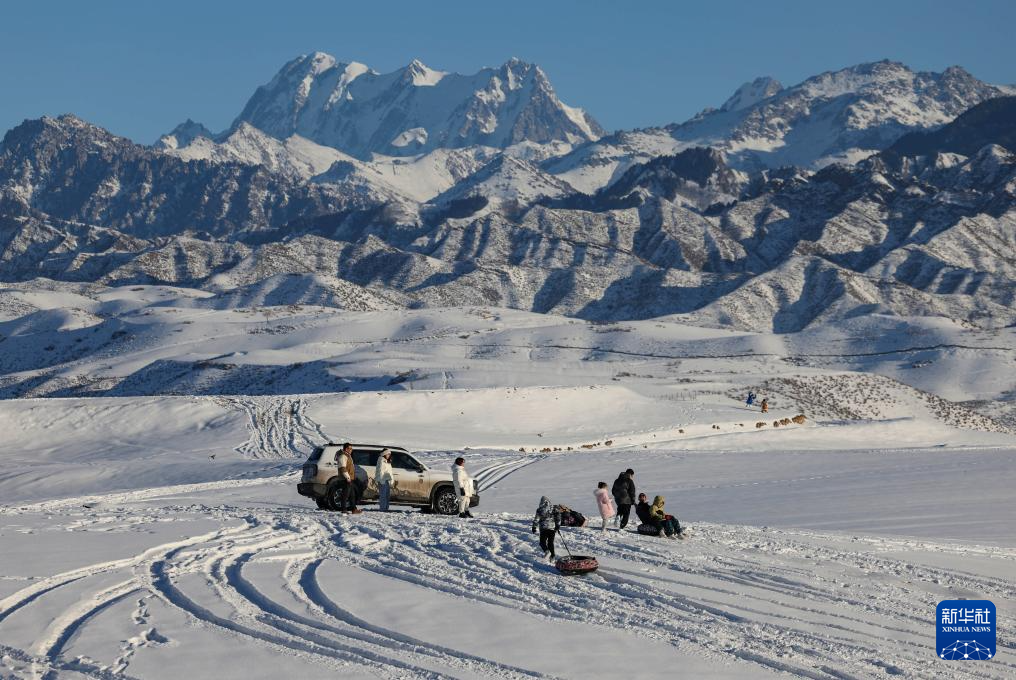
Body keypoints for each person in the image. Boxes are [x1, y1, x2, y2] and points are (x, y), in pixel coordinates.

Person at [531, 496, 562, 561]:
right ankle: (552, 556)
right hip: (552, 528)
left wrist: (534, 527)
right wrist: (557, 525)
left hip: (543, 528)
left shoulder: (539, 509)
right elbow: (558, 517)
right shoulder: (554, 508)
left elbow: (536, 519)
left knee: (542, 542)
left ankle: (547, 551)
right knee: (550, 543)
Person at [336, 443, 361, 514]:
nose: (351, 450)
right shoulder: (343, 456)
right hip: (345, 478)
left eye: (351, 448)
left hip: (349, 478)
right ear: (346, 449)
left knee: (352, 494)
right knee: (345, 494)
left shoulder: (348, 456)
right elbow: (342, 468)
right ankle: (344, 509)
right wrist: (347, 477)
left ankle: (354, 509)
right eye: (350, 448)